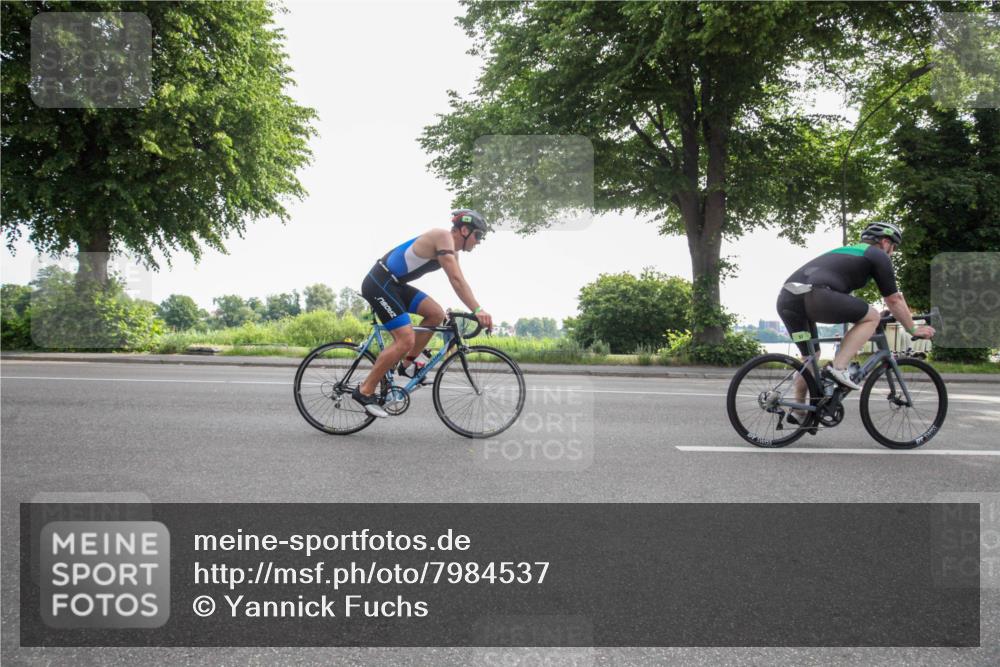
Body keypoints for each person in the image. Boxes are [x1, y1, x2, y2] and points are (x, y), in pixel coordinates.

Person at [776, 222, 935, 417]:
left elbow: (847, 304)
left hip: (788, 300)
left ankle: (799, 410)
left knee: (811, 356)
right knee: (872, 317)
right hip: (817, 296)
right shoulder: (877, 254)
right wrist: (912, 329)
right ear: (885, 242)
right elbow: (894, 299)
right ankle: (839, 368)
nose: (892, 253)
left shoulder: (848, 253)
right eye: (893, 248)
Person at [351, 209, 494, 417]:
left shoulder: (452, 251)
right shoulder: (443, 237)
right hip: (380, 282)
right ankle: (364, 390)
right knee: (405, 338)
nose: (479, 241)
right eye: (478, 235)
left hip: (396, 285)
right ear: (464, 230)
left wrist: (474, 309)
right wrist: (478, 310)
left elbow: (459, 282)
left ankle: (406, 365)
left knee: (436, 315)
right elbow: (456, 281)